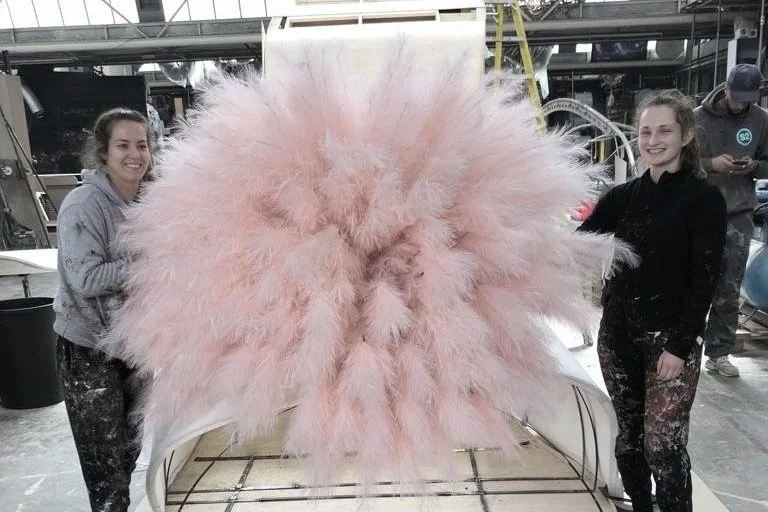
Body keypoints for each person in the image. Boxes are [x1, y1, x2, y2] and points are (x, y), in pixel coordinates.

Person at [579, 89, 726, 511]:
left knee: (663, 443)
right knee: (629, 439)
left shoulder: (704, 200)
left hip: (669, 339)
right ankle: (642, 506)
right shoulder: (622, 198)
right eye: (645, 131)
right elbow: (575, 245)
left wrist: (681, 345)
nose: (653, 140)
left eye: (664, 130)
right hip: (619, 334)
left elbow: (706, 280)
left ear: (686, 134)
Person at [53, 108, 151, 512]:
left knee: (127, 453)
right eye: (123, 145)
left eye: (142, 145)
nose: (135, 155)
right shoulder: (84, 205)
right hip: (88, 351)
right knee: (105, 470)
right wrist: (151, 265)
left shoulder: (149, 199)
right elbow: (87, 279)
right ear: (103, 152)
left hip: (133, 345)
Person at [694, 63, 768, 377]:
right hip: (700, 212)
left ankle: (719, 352)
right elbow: (678, 163)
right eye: (737, 98)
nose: (741, 105)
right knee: (693, 283)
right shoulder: (698, 119)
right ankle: (683, 349)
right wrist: (711, 164)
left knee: (729, 286)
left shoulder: (761, 120)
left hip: (739, 212)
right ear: (725, 89)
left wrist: (753, 166)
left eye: (747, 100)